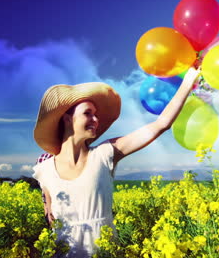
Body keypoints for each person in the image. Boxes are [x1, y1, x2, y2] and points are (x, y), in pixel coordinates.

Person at [32, 67, 201, 257]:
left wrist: (187, 82)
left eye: (96, 114)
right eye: (88, 113)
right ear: (68, 119)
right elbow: (51, 221)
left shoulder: (106, 153)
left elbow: (161, 124)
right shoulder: (43, 169)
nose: (96, 119)